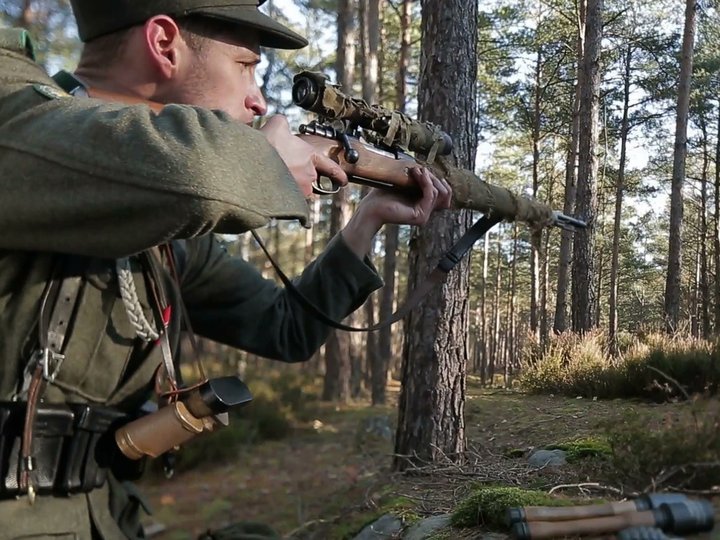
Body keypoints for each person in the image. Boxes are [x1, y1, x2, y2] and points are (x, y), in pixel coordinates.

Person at [0, 1, 451, 538]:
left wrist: (367, 220)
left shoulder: (166, 236)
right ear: (164, 45)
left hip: (96, 514)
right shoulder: (17, 113)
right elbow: (190, 167)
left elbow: (284, 326)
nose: (258, 99)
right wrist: (263, 160)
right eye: (244, 65)